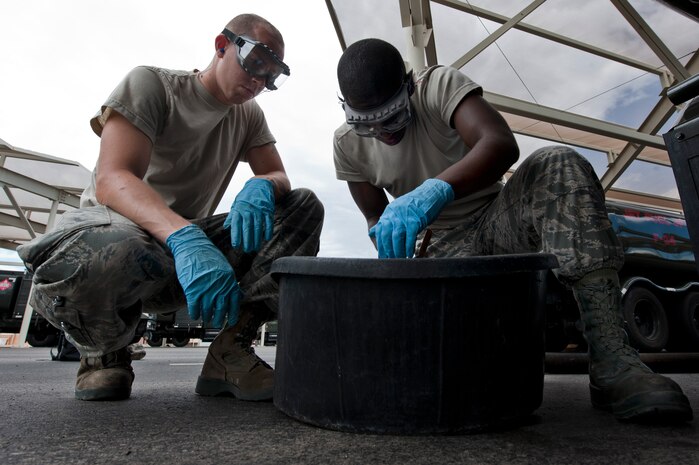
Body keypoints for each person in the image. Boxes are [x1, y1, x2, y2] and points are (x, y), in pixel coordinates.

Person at [332, 38, 692, 423]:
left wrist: (437, 189)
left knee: (559, 164)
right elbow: (374, 215)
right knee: (441, 374)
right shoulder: (346, 144)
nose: (383, 134)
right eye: (366, 125)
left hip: (495, 222)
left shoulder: (436, 86)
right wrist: (383, 236)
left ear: (409, 88)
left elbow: (500, 143)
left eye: (393, 118)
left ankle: (614, 364)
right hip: (439, 249)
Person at [17, 14, 324, 402]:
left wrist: (262, 183)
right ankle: (104, 353)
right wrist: (184, 235)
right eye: (255, 62)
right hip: (117, 241)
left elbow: (278, 173)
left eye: (272, 75)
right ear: (222, 45)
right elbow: (113, 178)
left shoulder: (248, 115)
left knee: (301, 207)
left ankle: (230, 350)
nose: (259, 81)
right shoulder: (153, 85)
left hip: (183, 263)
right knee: (115, 245)